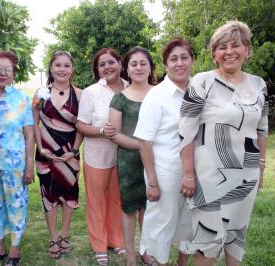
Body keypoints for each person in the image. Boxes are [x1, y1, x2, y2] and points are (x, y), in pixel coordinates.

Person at [179, 21, 268, 266]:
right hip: (209, 176)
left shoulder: (259, 85)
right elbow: (186, 131)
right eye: (222, 47)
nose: (229, 51)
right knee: (207, 240)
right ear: (214, 54)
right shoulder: (202, 81)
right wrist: (188, 174)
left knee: (236, 234)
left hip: (246, 173)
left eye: (236, 45)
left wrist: (260, 167)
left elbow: (261, 129)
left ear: (247, 50)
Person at [133, 38, 194, 266]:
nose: (179, 63)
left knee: (191, 222)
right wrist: (152, 182)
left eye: (184, 57)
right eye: (173, 59)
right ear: (166, 64)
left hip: (197, 171)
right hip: (165, 172)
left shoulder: (200, 90)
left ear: (192, 60)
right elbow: (144, 142)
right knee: (162, 226)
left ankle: (182, 262)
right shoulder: (156, 96)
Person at [77, 48, 126, 265]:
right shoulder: (91, 92)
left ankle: (116, 240)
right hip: (97, 155)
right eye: (102, 64)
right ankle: (99, 245)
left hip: (124, 155)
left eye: (111, 62)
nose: (107, 67)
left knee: (117, 199)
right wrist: (101, 131)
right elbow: (81, 125)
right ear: (97, 70)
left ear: (120, 63)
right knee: (96, 201)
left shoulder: (130, 87)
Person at [108, 46, 156, 266]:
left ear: (150, 67)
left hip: (157, 161)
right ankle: (129, 254)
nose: (138, 68)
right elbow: (114, 134)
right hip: (128, 160)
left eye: (142, 63)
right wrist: (142, 145)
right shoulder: (119, 98)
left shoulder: (159, 94)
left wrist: (151, 148)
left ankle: (146, 251)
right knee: (129, 208)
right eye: (133, 64)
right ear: (127, 68)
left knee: (149, 208)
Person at [32, 50, 82, 259]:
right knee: (48, 196)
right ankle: (53, 237)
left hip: (70, 154)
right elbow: (34, 122)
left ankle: (64, 235)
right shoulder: (39, 94)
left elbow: (82, 125)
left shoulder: (80, 94)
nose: (62, 69)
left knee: (70, 194)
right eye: (58, 65)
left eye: (66, 66)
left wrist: (73, 150)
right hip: (45, 154)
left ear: (72, 69)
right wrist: (41, 147)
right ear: (51, 68)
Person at [0, 51, 35, 266]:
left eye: (8, 70)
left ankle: (14, 249)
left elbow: (29, 134)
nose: (3, 73)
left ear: (14, 73)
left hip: (15, 165)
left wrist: (30, 165)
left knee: (16, 205)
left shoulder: (22, 99)